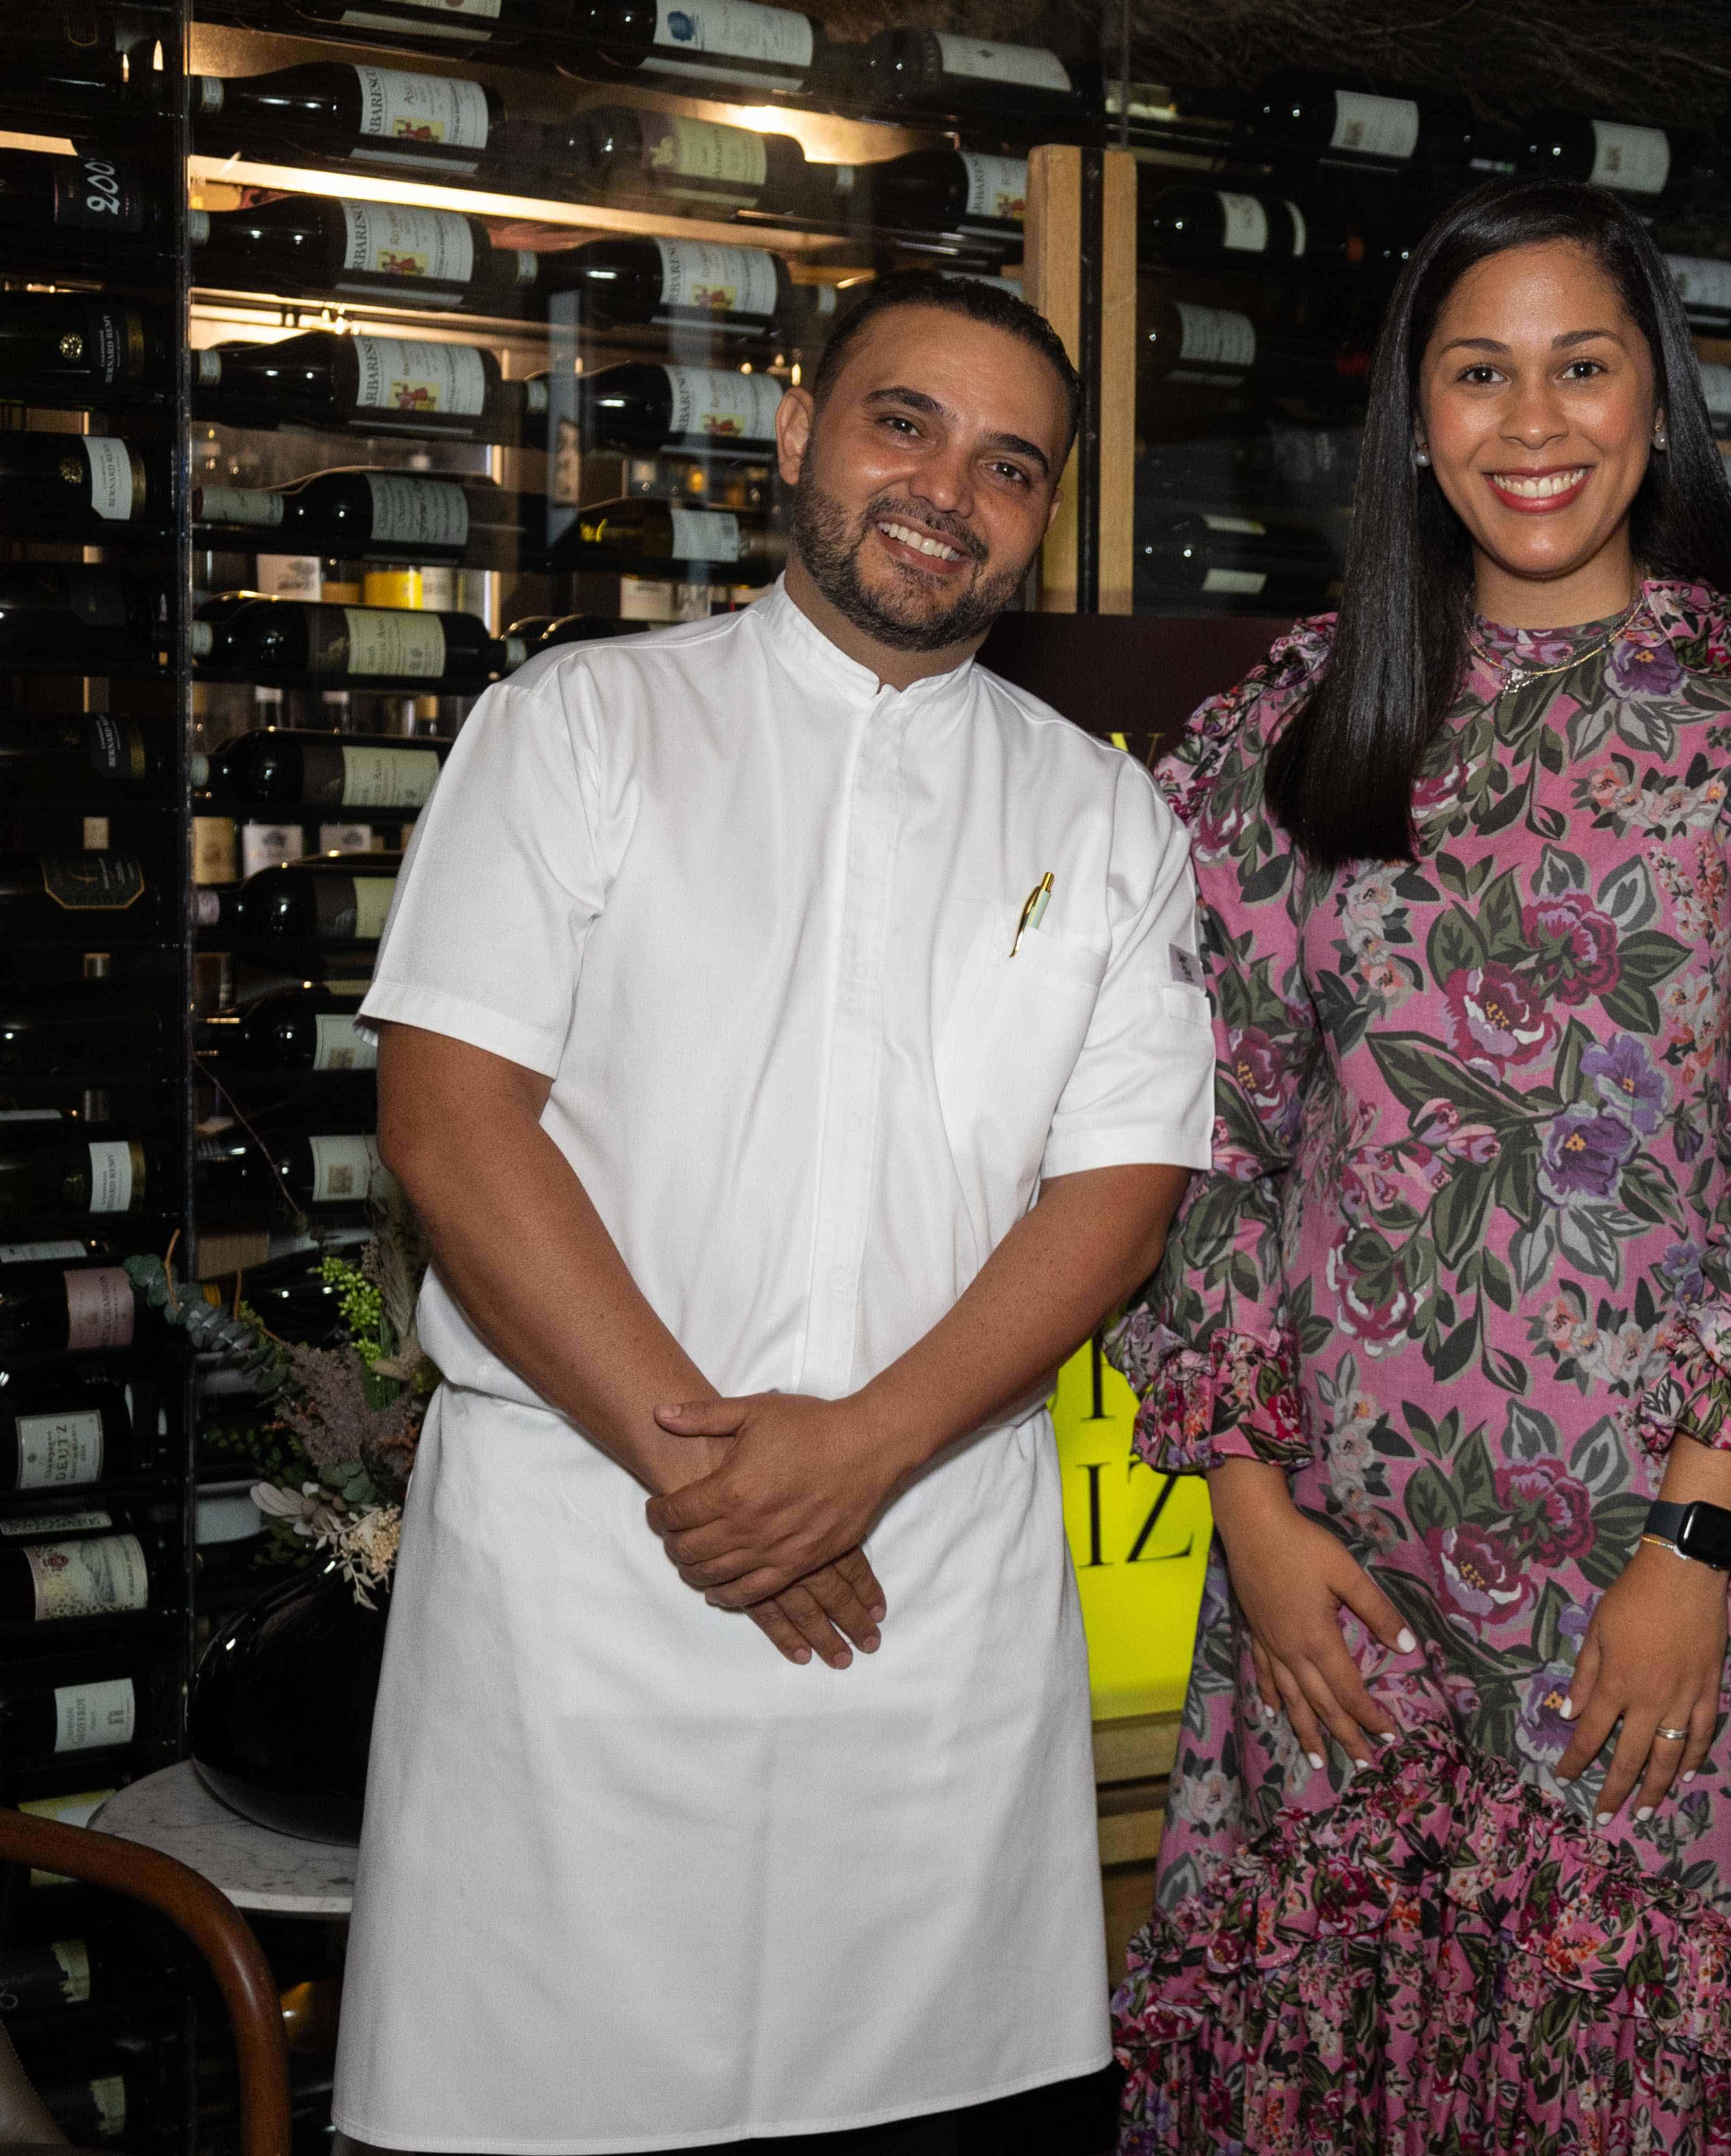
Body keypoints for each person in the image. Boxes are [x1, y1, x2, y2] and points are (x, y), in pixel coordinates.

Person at [335, 272, 1216, 2153]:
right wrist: (727, 1476)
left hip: (930, 1622)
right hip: (586, 1602)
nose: (946, 490)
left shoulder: (1109, 818)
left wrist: (865, 1453)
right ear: (801, 430)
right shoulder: (578, 726)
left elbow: (1121, 1195)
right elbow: (453, 1119)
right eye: (906, 424)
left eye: (1008, 465)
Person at [1109, 179, 1731, 2151]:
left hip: (1660, 1580)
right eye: (1480, 374)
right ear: (1414, 418)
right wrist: (1246, 1512)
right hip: (1341, 1591)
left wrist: (1698, 1539)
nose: (1534, 422)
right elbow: (1217, 1148)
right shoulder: (1282, 737)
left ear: (1661, 405)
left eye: (1584, 367)